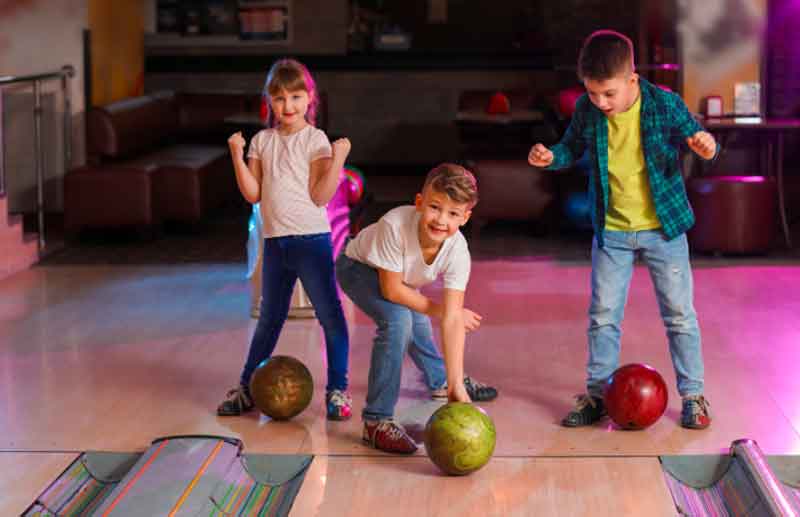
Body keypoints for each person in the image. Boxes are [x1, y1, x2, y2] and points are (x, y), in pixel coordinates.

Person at [528, 30, 717, 430]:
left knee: (680, 315)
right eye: (593, 93)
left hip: (664, 230)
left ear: (631, 79)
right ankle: (598, 395)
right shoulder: (586, 110)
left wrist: (706, 146)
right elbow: (569, 149)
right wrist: (549, 157)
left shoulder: (664, 104)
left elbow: (700, 138)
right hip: (612, 231)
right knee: (602, 317)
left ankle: (694, 396)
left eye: (609, 94)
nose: (601, 103)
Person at [220, 58, 353, 421]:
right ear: (269, 102)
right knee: (269, 319)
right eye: (279, 99)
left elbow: (321, 196)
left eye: (296, 97)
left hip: (312, 242)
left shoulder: (316, 140)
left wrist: (338, 158)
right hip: (276, 243)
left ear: (310, 99)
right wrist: (236, 153)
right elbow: (253, 193)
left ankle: (338, 391)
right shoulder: (262, 141)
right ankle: (247, 387)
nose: (288, 106)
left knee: (331, 316)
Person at [336, 163, 498, 454]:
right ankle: (376, 421)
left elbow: (451, 323)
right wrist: (446, 312)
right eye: (435, 207)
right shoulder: (394, 225)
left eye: (453, 213)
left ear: (465, 217)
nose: (441, 220)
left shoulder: (458, 251)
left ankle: (442, 381)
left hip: (397, 279)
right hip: (357, 267)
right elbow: (392, 290)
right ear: (419, 202)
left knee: (418, 321)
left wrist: (455, 386)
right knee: (400, 320)